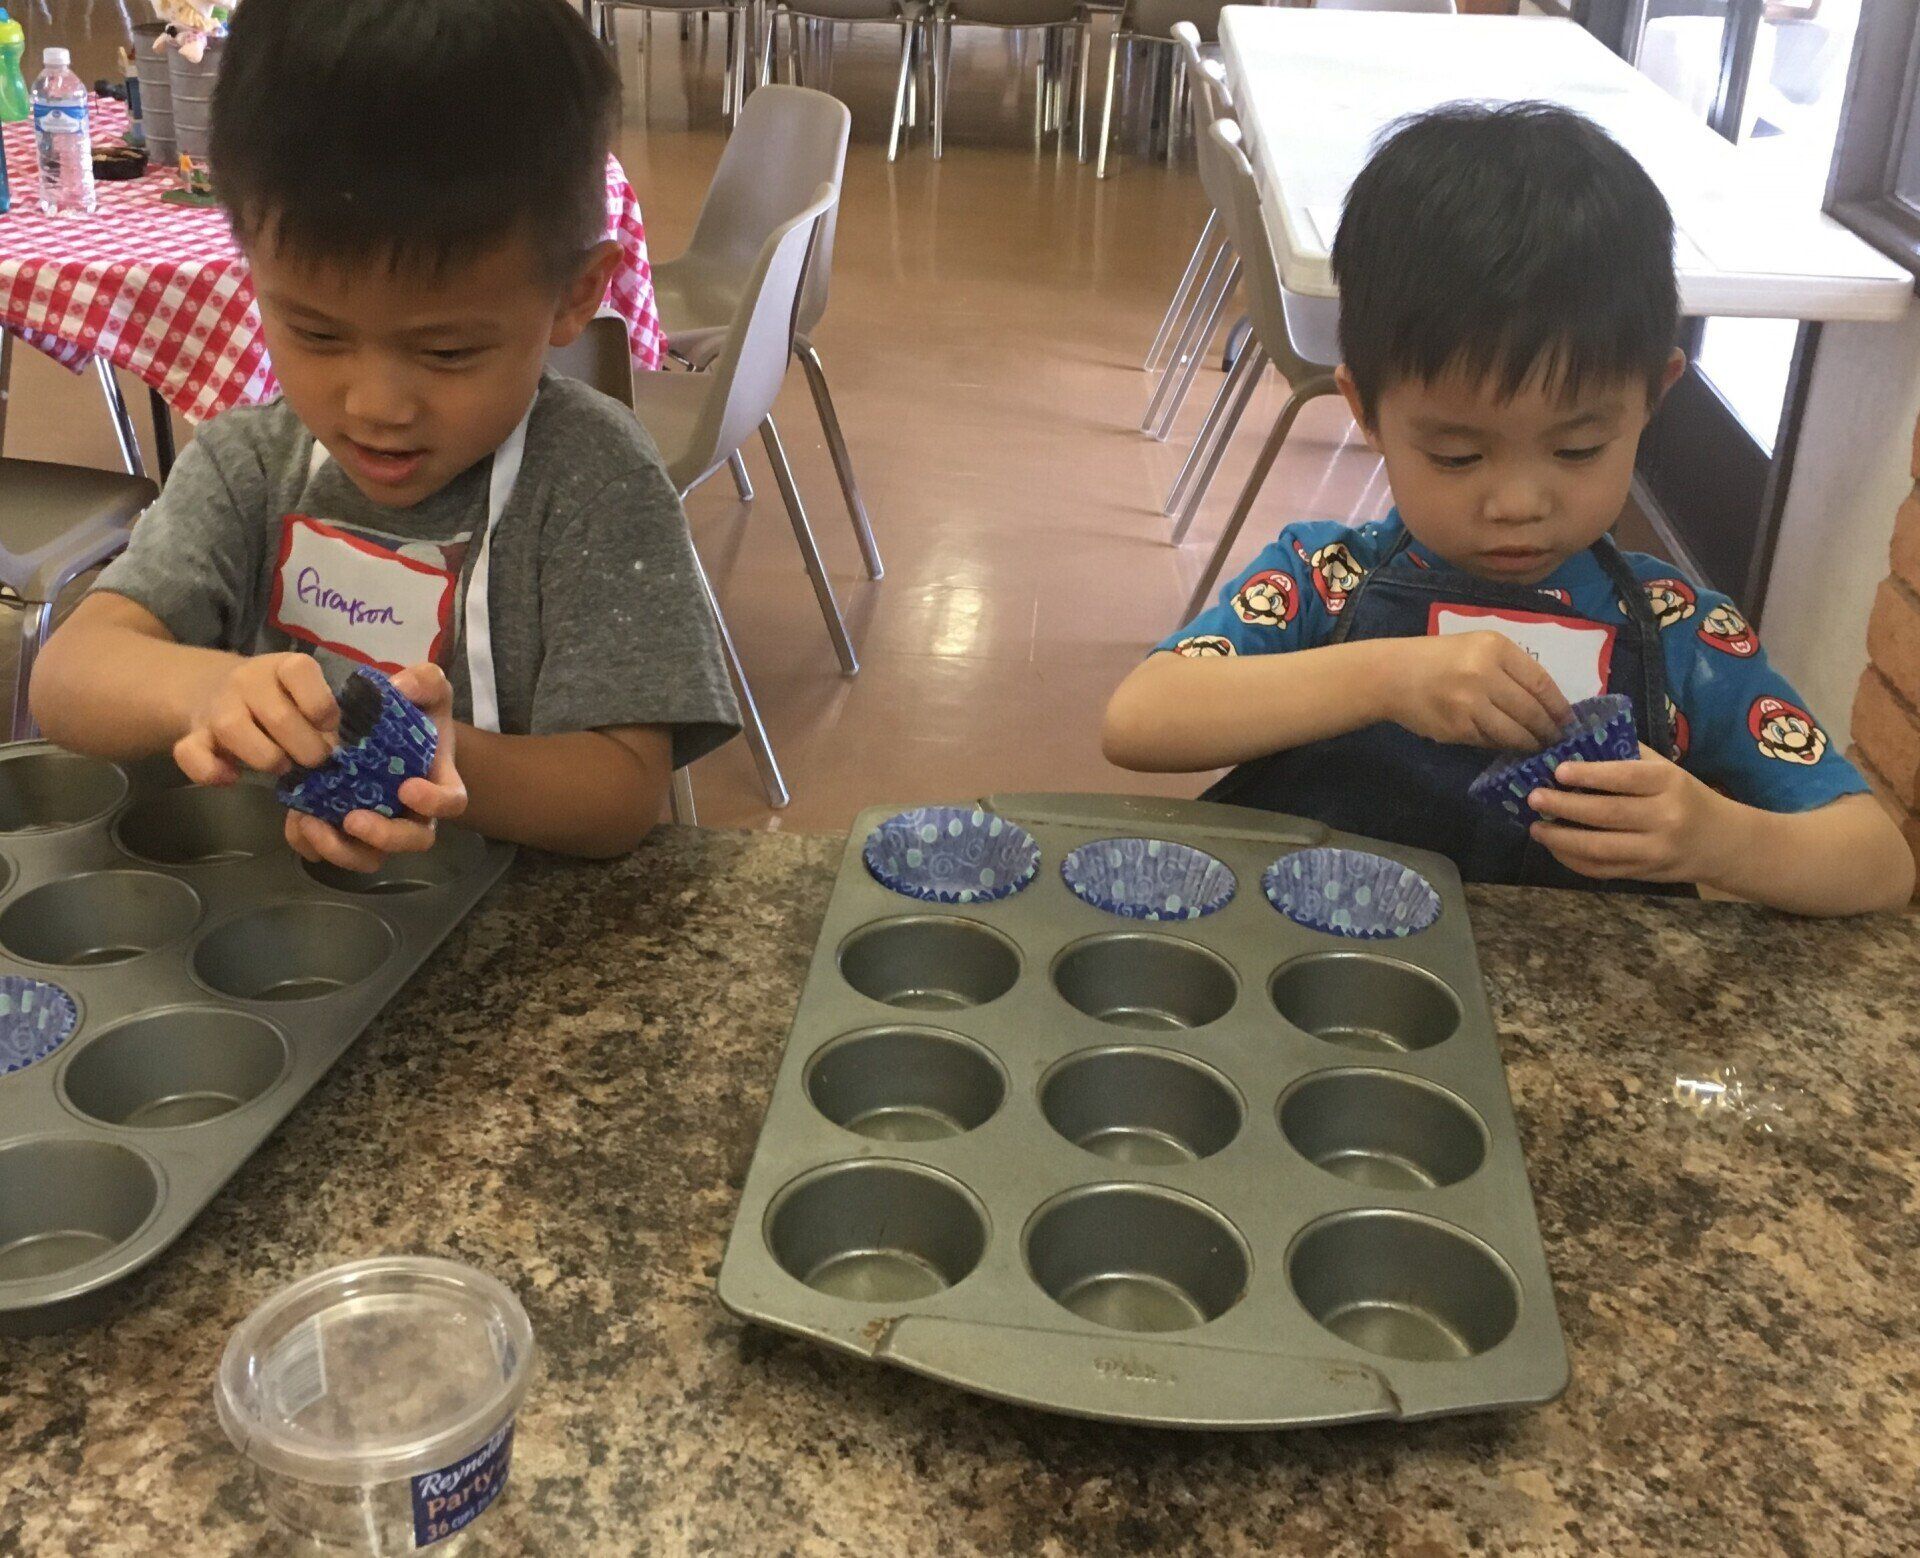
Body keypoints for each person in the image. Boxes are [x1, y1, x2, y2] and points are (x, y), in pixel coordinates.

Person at [1104, 103, 1913, 915]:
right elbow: (1141, 718)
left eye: (1577, 450)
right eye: (1458, 456)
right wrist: (1379, 677)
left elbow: (1877, 862)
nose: (1518, 504)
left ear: (1651, 399)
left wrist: (1720, 838)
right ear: (1365, 409)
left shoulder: (1681, 634)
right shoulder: (1326, 580)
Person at [30, 0, 739, 869]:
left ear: (573, 294)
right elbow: (69, 681)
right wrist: (207, 688)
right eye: (317, 334)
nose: (377, 405)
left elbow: (620, 796)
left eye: (447, 351)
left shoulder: (592, 482)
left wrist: (443, 762)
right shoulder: (250, 463)